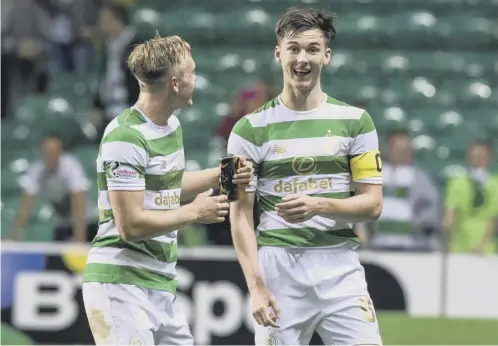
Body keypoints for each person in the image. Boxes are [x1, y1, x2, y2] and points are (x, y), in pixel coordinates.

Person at [81, 34, 254, 345]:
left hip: (160, 283)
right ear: (175, 83)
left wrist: (220, 174)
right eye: (192, 72)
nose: (196, 79)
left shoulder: (171, 126)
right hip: (121, 284)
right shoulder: (125, 137)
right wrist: (193, 212)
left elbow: (169, 183)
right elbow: (130, 225)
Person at [227, 8, 383, 346]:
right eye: (294, 48)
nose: (302, 58)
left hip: (340, 266)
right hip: (278, 271)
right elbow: (238, 214)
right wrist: (255, 287)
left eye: (312, 49)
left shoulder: (357, 122)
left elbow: (372, 205)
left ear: (326, 55)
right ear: (278, 53)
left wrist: (319, 205)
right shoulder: (245, 130)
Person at [7, 133, 94, 242]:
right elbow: (25, 206)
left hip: (87, 222)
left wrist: (80, 238)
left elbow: (79, 204)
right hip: (61, 222)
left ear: (60, 152)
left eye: (54, 151)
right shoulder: (37, 170)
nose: (51, 155)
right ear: (42, 152)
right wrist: (13, 235)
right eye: (47, 152)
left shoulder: (71, 166)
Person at [444, 140, 498, 255]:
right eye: (475, 156)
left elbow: (493, 219)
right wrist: (449, 242)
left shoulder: (496, 184)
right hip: (459, 245)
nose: (478, 160)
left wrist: (482, 245)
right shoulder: (457, 182)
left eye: (482, 156)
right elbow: (450, 215)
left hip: (486, 248)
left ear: (490, 158)